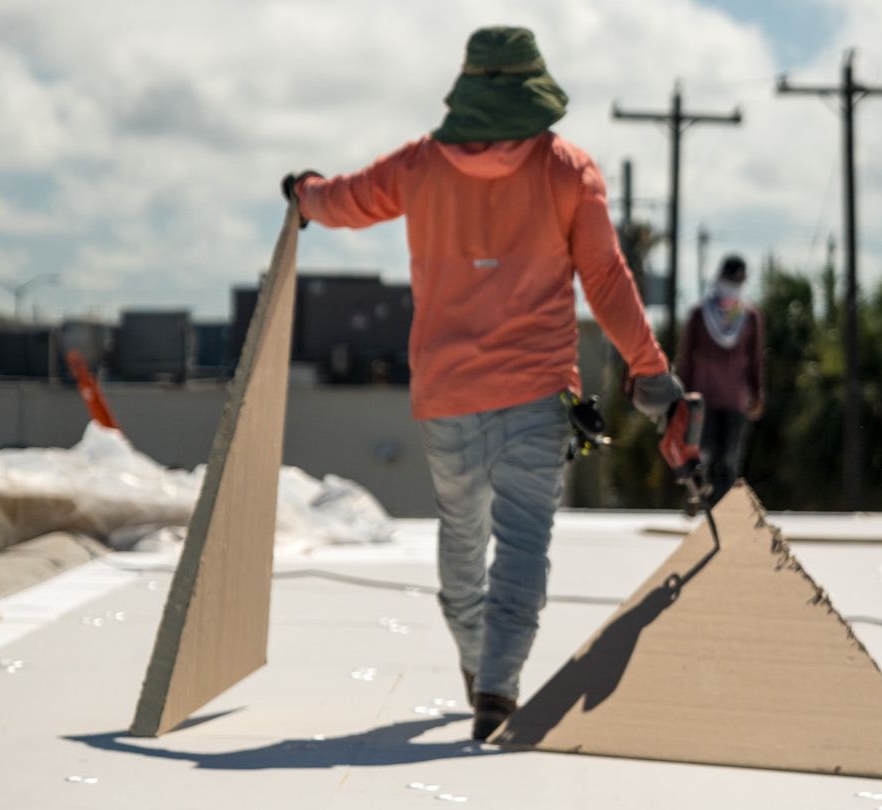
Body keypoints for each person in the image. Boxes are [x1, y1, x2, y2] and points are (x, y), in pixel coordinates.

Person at [282, 25, 680, 740]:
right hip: (536, 396)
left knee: (461, 534)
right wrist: (651, 371)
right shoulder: (568, 170)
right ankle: (498, 684)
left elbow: (344, 201)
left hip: (447, 395)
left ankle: (476, 661)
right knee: (523, 543)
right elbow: (608, 282)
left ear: (467, 90)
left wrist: (303, 194)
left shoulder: (421, 166)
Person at [676, 255, 765, 503]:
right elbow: (686, 359)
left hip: (735, 400)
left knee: (728, 458)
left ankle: (722, 509)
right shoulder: (699, 314)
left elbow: (755, 360)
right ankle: (698, 501)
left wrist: (757, 395)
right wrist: (681, 397)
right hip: (702, 399)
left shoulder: (749, 317)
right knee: (702, 455)